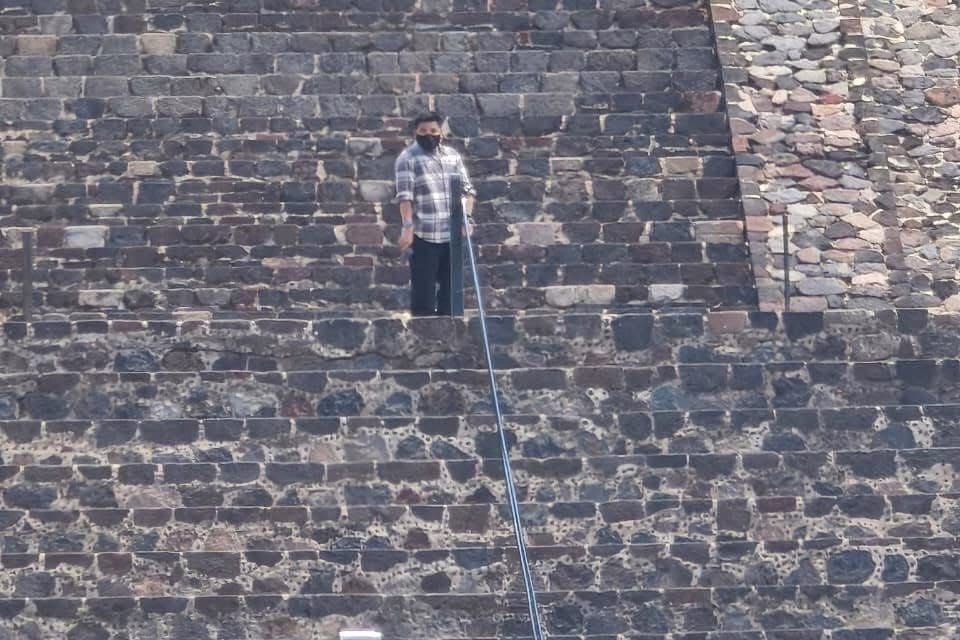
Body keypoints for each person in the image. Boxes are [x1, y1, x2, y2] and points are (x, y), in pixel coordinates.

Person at [393, 112, 476, 316]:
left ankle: (452, 340)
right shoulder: (408, 158)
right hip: (425, 235)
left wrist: (467, 218)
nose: (428, 135)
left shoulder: (452, 156)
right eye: (423, 131)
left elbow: (468, 190)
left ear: (441, 133)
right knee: (424, 295)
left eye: (433, 131)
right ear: (415, 132)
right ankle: (426, 342)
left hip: (452, 235)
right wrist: (407, 227)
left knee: (451, 294)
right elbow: (405, 197)